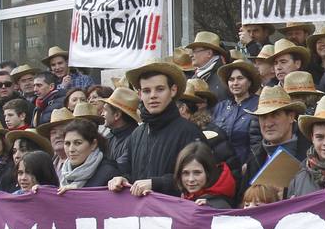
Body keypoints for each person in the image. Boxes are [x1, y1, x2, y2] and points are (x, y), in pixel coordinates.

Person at [108, 61, 209, 197]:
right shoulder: (137, 134)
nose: (153, 95)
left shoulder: (189, 132)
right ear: (139, 94)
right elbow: (127, 170)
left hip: (176, 214)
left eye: (160, 89)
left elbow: (201, 179)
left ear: (173, 90)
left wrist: (156, 183)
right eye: (146, 91)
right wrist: (121, 179)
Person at [243, 86, 308, 187]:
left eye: (275, 115)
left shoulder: (311, 155)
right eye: (263, 117)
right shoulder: (254, 157)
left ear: (291, 117)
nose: (268, 124)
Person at [212, 59, 260, 170]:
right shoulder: (221, 107)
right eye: (231, 79)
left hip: (246, 168)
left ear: (249, 82)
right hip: (222, 170)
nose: (235, 83)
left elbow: (259, 143)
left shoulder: (258, 105)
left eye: (240, 78)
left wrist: (249, 164)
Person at [55, 119, 122, 190]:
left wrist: (77, 193)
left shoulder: (109, 173)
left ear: (93, 144)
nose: (71, 149)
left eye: (78, 143)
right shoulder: (64, 173)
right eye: (67, 144)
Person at [171, 142, 235, 208]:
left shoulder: (221, 204)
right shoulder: (183, 195)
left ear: (208, 172)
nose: (191, 179)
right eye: (185, 173)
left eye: (197, 173)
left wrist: (211, 208)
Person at [186, 31, 232, 103]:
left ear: (209, 53)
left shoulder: (224, 77)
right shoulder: (196, 76)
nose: (191, 55)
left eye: (195, 51)